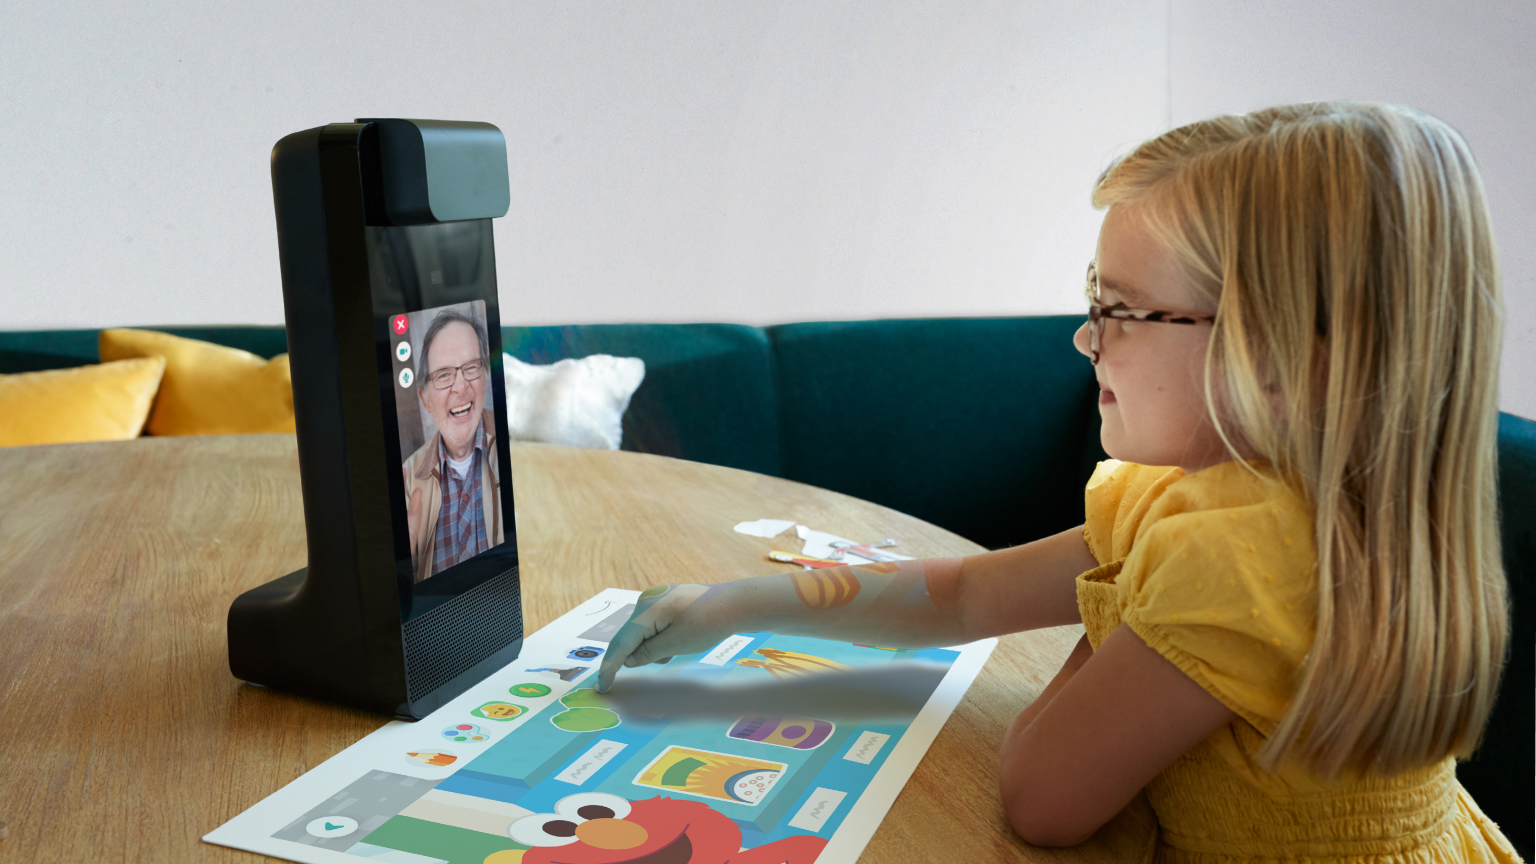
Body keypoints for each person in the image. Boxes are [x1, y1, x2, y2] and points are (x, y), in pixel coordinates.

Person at [595, 102, 1521, 861]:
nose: (1088, 339)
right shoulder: (1203, 494)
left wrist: (1114, 617)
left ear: (1281, 355)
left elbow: (1042, 801)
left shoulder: (1242, 552)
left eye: (1122, 309)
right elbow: (962, 595)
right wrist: (735, 605)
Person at [402, 308, 504, 583]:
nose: (461, 387)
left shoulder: (512, 449)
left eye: (471, 368)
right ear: (424, 399)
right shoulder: (408, 478)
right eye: (444, 375)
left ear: (484, 377)